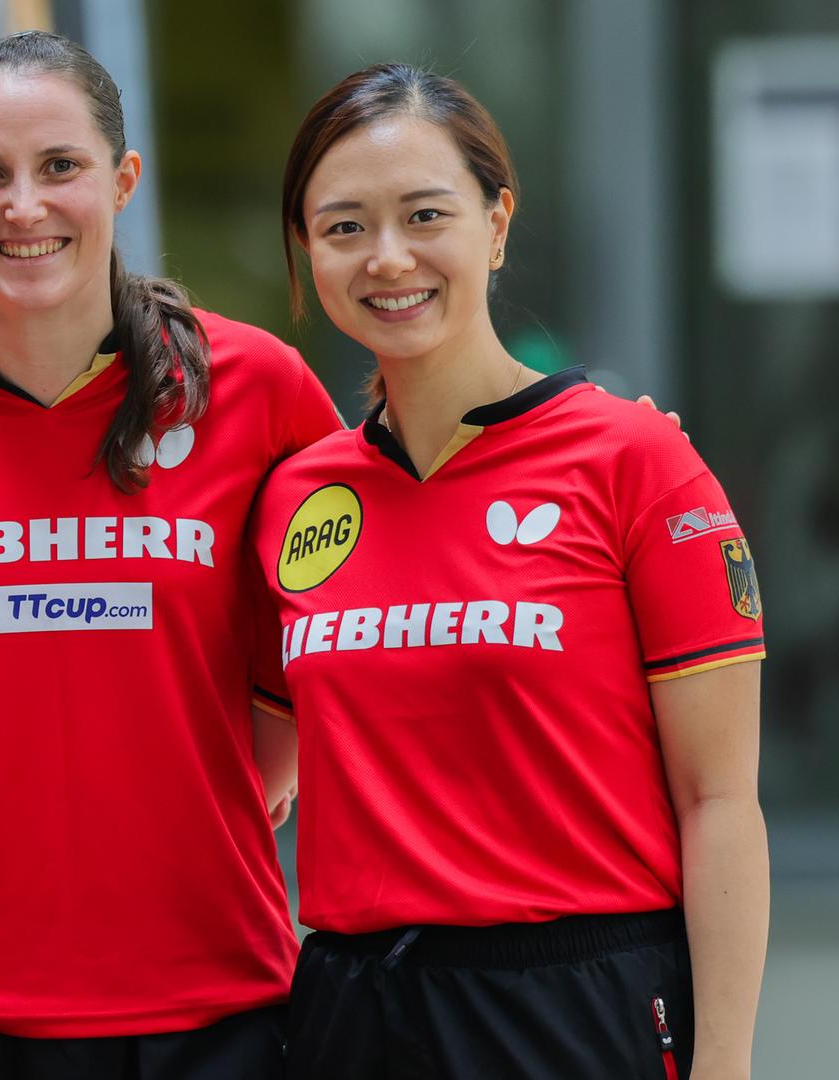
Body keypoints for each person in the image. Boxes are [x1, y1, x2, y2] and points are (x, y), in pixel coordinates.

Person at [0, 31, 341, 1079]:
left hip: (215, 1007)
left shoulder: (258, 388)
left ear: (123, 179)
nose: (25, 206)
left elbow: (378, 567)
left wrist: (606, 440)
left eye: (60, 166)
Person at [254, 63, 768, 1079]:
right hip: (354, 1012)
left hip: (576, 1006)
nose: (387, 256)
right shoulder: (295, 496)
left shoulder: (636, 461)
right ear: (308, 249)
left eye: (425, 215)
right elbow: (258, 774)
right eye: (346, 226)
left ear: (495, 224)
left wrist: (724, 1063)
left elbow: (719, 801)